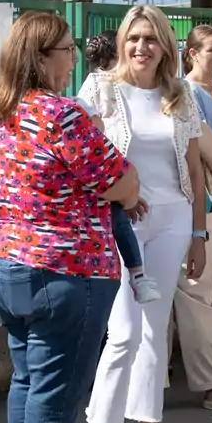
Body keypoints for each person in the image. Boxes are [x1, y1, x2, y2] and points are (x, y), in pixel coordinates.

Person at [0, 11, 140, 423]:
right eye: (66, 50)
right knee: (57, 389)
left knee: (28, 382)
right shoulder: (62, 116)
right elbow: (124, 184)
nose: (74, 58)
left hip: (0, 263)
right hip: (63, 267)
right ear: (41, 58)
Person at [80, 5, 209, 423]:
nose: (141, 47)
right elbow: (84, 156)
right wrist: (118, 197)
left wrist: (198, 233)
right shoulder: (100, 90)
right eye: (133, 38)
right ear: (121, 43)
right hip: (119, 225)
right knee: (124, 333)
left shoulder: (182, 96)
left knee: (156, 334)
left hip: (173, 221)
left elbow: (194, 170)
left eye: (151, 39)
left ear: (166, 47)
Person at [172, 25, 212, 409]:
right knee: (196, 296)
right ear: (190, 53)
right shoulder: (185, 94)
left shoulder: (208, 93)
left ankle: (153, 385)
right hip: (193, 207)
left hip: (198, 207)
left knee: (191, 295)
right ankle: (211, 382)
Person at [83, 30, 161, 304]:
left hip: (121, 185)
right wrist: (126, 194)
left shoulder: (158, 88)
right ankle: (137, 275)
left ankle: (138, 276)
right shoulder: (95, 87)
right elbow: (94, 135)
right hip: (105, 184)